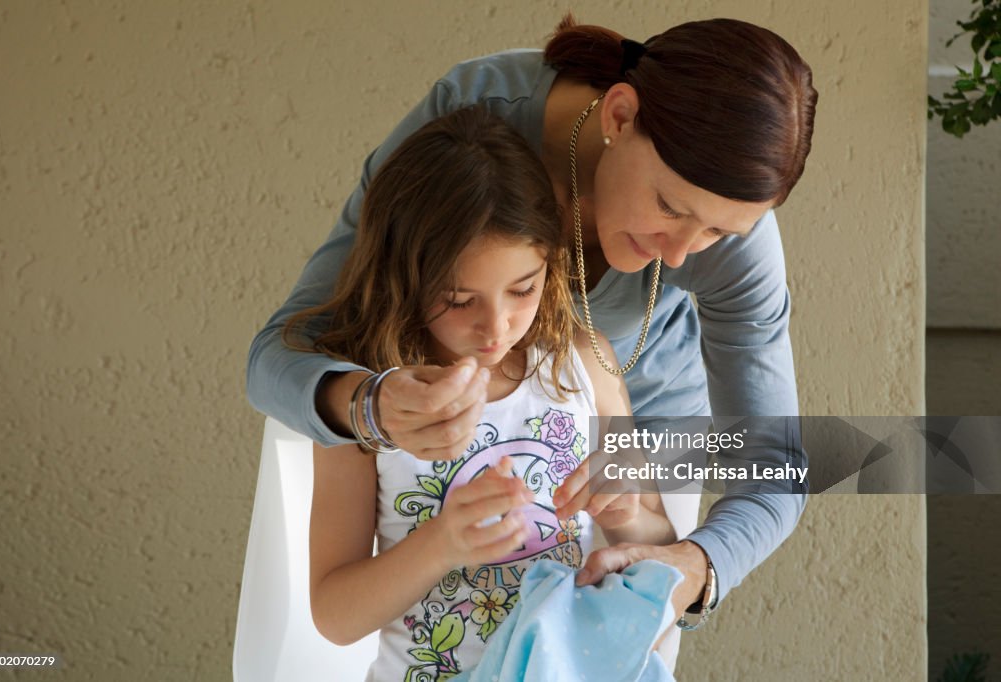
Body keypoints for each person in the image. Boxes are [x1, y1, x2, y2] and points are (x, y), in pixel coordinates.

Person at [247, 13, 817, 645]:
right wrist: (370, 407)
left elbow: (775, 468)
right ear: (620, 115)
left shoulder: (727, 242)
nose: (682, 254)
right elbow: (283, 355)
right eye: (670, 208)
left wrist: (695, 567)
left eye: (716, 232)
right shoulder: (471, 122)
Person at [293, 106, 674, 680]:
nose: (495, 328)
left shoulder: (584, 360)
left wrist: (626, 517)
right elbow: (335, 614)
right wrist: (442, 543)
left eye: (523, 289)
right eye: (459, 299)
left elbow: (658, 542)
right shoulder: (371, 402)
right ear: (406, 275)